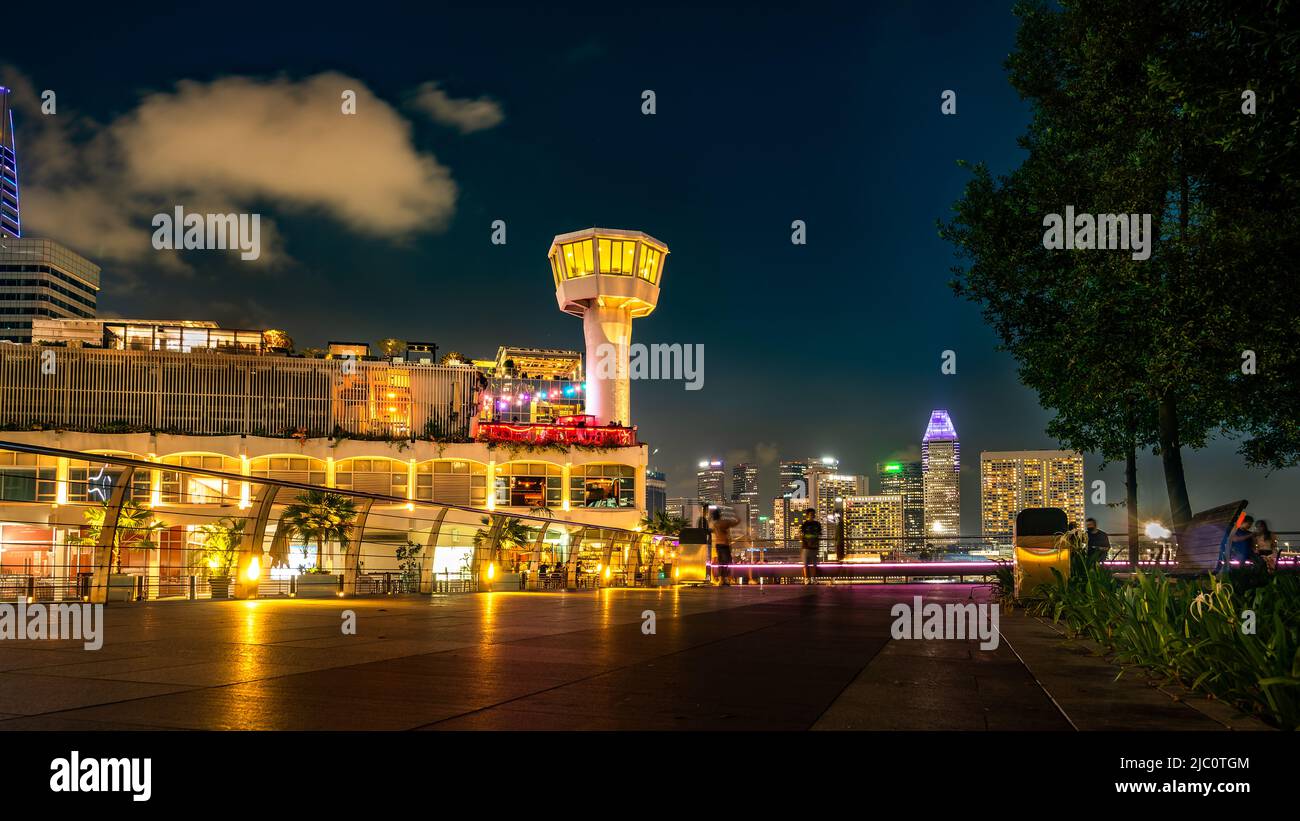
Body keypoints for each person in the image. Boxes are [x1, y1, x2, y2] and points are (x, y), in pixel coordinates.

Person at [710, 507, 739, 586]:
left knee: (721, 562)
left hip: (718, 545)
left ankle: (721, 580)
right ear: (720, 515)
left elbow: (712, 531)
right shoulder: (724, 522)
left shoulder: (715, 524)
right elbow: (736, 522)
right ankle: (725, 579)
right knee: (726, 562)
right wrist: (736, 515)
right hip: (724, 545)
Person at [799, 510, 822, 584]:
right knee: (806, 564)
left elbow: (819, 534)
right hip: (806, 547)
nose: (812, 515)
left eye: (813, 514)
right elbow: (800, 535)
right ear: (807, 515)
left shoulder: (817, 524)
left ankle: (813, 579)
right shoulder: (804, 524)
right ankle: (807, 579)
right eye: (811, 514)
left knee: (814, 564)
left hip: (813, 547)